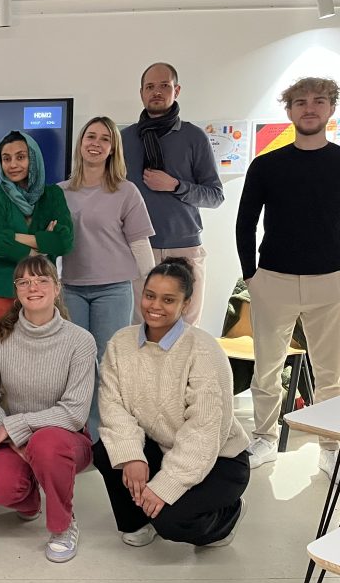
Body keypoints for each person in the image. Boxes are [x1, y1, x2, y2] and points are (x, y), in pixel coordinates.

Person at [93, 258, 250, 549]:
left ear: (185, 304)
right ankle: (140, 520)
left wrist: (166, 486)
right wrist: (132, 457)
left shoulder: (203, 350)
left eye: (168, 300)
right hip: (162, 446)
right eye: (150, 295)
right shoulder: (121, 343)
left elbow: (204, 432)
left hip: (219, 458)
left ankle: (228, 517)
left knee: (172, 521)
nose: (155, 306)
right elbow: (113, 406)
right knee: (106, 450)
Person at [237, 77, 340, 473]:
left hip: (330, 280)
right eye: (300, 102)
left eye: (318, 101)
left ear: (331, 108)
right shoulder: (267, 165)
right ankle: (264, 438)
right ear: (290, 110)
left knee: (331, 373)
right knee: (266, 368)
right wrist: (250, 275)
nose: (309, 108)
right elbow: (246, 223)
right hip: (273, 280)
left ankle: (330, 447)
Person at [0, 255, 96, 563]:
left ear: (57, 288)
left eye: (41, 280)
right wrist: (10, 434)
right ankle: (29, 502)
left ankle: (63, 526)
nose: (33, 287)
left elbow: (74, 413)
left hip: (65, 440)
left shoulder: (80, 341)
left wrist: (15, 427)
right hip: (14, 436)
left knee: (46, 442)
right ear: (16, 291)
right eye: (24, 282)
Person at [58, 117, 154, 440]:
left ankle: (105, 435)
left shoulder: (126, 192)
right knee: (77, 365)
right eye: (91, 136)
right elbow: (49, 244)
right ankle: (80, 432)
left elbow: (140, 244)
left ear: (113, 148)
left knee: (109, 364)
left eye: (104, 139)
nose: (96, 143)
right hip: (72, 288)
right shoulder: (60, 192)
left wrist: (153, 290)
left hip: (114, 290)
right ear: (81, 143)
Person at [121, 63, 224, 325]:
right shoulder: (124, 139)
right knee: (140, 328)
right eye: (150, 86)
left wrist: (176, 186)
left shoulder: (194, 137)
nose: (156, 92)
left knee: (185, 331)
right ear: (141, 93)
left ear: (176, 91)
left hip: (184, 247)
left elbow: (215, 195)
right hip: (138, 248)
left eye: (164, 86)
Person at [0, 130, 73, 357]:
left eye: (21, 157)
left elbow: (65, 242)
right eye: (6, 158)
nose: (13, 165)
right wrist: (42, 243)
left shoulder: (53, 195)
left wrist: (14, 237)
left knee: (43, 363)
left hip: (41, 293)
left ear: (33, 158)